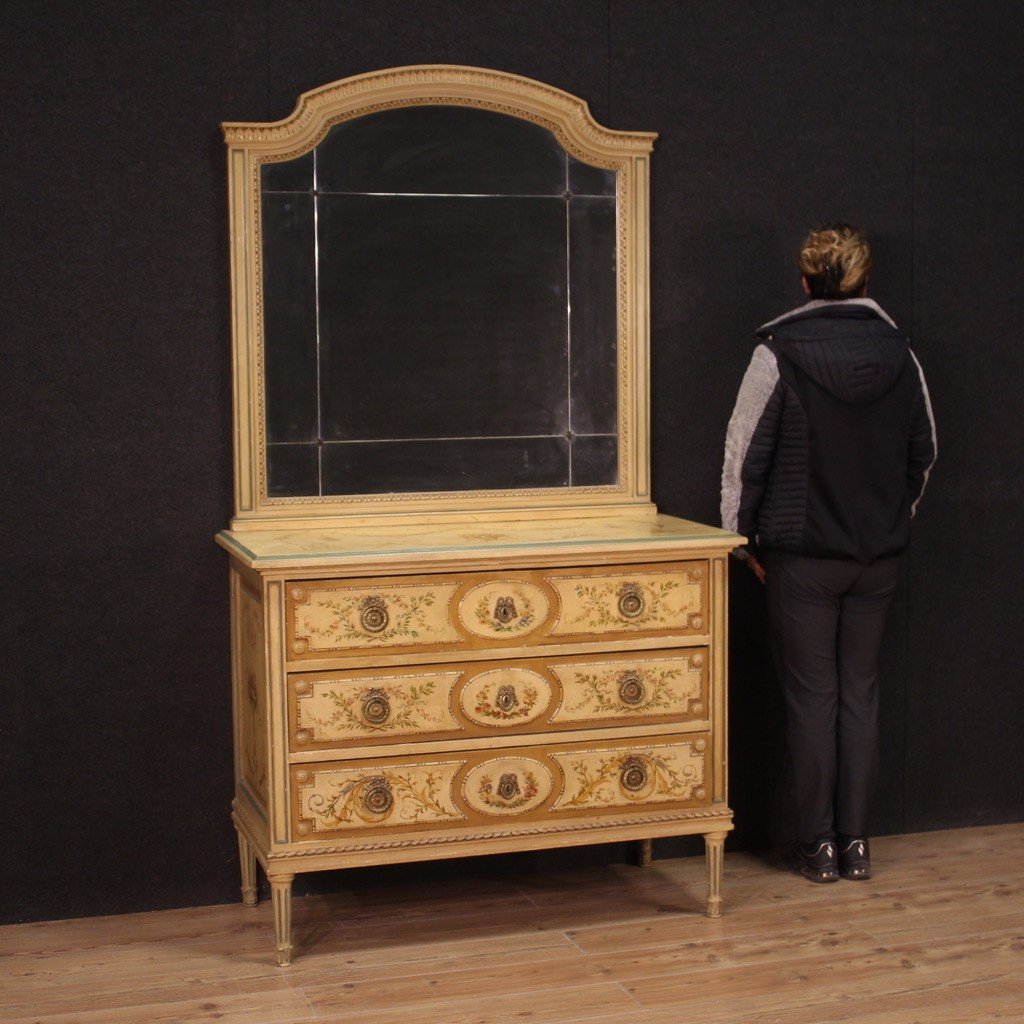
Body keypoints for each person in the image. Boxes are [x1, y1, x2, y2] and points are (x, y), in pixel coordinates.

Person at [720, 224, 937, 882]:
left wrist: (741, 541)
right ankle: (856, 845)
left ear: (806, 282)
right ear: (865, 280)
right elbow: (923, 455)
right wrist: (892, 519)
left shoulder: (778, 353)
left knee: (813, 699)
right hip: (876, 559)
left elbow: (743, 460)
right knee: (860, 697)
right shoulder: (902, 354)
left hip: (802, 562)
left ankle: (815, 849)